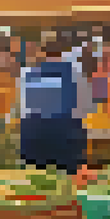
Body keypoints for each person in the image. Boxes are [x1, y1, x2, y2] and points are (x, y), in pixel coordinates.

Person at [18, 39, 91, 172]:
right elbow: (84, 105)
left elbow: (22, 107)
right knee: (67, 178)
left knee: (34, 177)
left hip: (33, 132)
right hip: (64, 132)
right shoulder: (74, 72)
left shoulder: (28, 72)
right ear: (63, 52)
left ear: (42, 52)